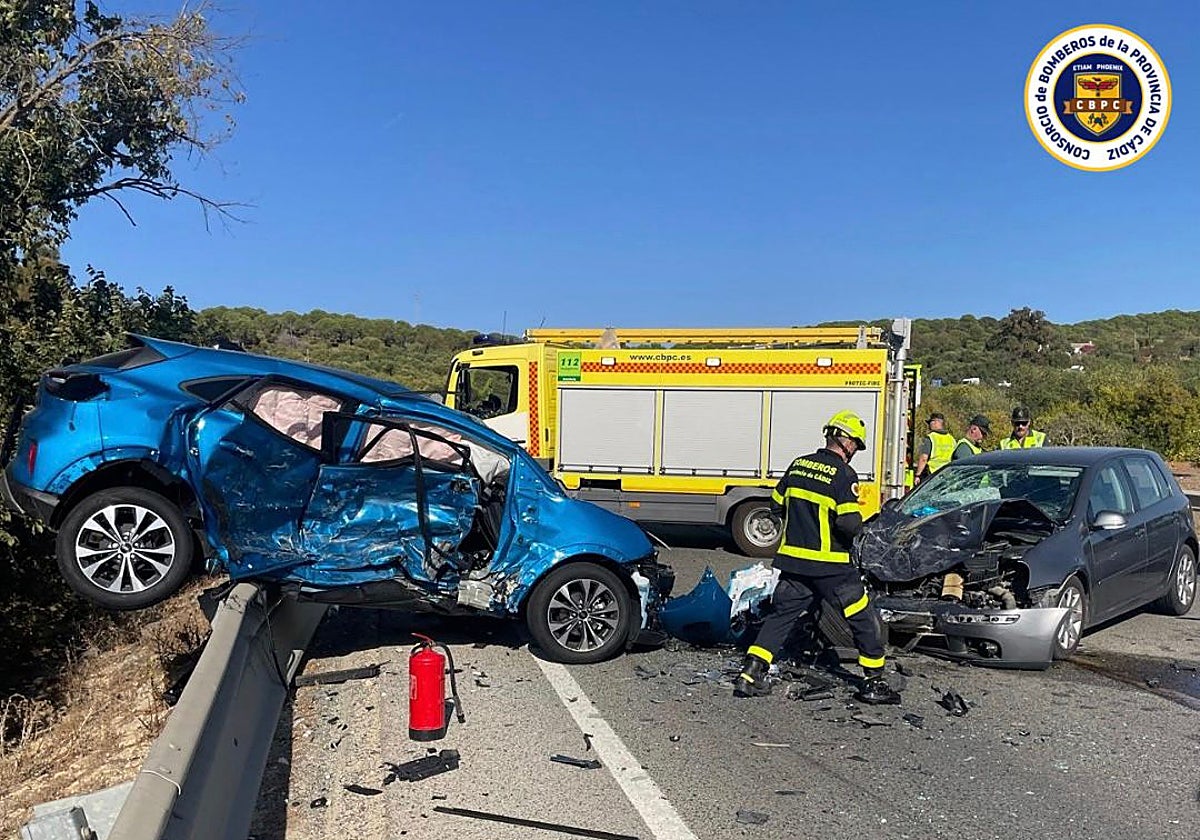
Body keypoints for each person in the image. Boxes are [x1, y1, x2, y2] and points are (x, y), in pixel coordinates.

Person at [733, 410, 900, 705]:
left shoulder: (798, 465)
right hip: (831, 565)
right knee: (861, 615)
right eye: (856, 446)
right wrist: (857, 531)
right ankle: (874, 681)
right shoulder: (842, 474)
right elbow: (849, 524)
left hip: (794, 562)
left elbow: (775, 505)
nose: (855, 453)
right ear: (845, 441)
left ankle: (750, 674)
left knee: (781, 616)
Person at [913, 412, 956, 484]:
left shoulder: (931, 438)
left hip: (932, 474)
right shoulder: (951, 439)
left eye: (930, 422)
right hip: (947, 474)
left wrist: (918, 475)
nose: (929, 425)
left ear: (936, 422)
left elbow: (924, 458)